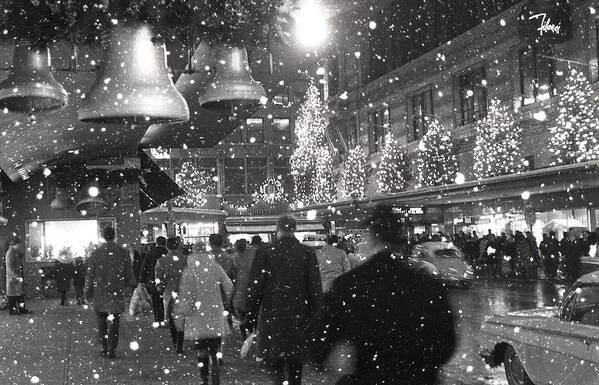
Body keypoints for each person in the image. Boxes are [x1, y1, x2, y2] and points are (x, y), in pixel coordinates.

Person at [311, 205, 456, 385]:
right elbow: (447, 344)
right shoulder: (427, 284)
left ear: (372, 237)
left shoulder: (350, 285)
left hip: (370, 378)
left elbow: (321, 347)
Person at [246, 215, 322, 385]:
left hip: (273, 313)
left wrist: (250, 312)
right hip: (299, 314)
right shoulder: (307, 252)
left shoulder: (265, 252)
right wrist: (316, 315)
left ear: (277, 228)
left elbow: (255, 286)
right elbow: (315, 288)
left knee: (276, 363)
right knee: (296, 363)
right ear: (295, 229)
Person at [174, 243, 234, 385]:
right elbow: (229, 286)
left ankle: (204, 377)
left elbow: (185, 295)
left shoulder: (189, 270)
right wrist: (225, 299)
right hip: (215, 312)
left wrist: (182, 314)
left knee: (201, 348)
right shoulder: (215, 267)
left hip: (197, 316)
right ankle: (216, 363)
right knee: (215, 343)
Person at [84, 227, 135, 358]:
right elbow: (128, 273)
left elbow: (90, 275)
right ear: (114, 235)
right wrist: (127, 284)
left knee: (101, 322)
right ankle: (112, 349)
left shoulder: (96, 254)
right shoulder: (122, 252)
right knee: (114, 322)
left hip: (100, 293)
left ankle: (105, 347)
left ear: (103, 236)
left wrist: (87, 292)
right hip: (116, 292)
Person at [155, 237, 188, 354]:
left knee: (172, 316)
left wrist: (160, 288)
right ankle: (180, 340)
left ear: (167, 246)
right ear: (178, 245)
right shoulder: (185, 259)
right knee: (182, 316)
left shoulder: (162, 261)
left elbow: (158, 278)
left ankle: (176, 342)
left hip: (169, 291)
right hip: (184, 290)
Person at [138, 236, 167, 325]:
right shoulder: (166, 253)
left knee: (155, 300)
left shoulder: (150, 252)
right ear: (164, 243)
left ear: (156, 243)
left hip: (151, 279)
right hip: (163, 279)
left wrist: (141, 279)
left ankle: (157, 318)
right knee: (163, 300)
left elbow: (145, 266)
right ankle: (162, 318)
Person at [232, 239, 256, 339]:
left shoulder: (236, 257)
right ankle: (251, 331)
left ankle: (244, 334)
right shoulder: (252, 254)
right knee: (250, 310)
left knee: (241, 312)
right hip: (251, 285)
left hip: (240, 286)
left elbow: (234, 270)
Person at [5, 236, 31, 315]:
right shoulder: (11, 253)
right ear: (15, 245)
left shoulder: (14, 251)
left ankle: (21, 309)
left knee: (20, 295)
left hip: (15, 277)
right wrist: (16, 276)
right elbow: (10, 267)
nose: (20, 246)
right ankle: (13, 310)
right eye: (19, 244)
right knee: (13, 295)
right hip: (13, 278)